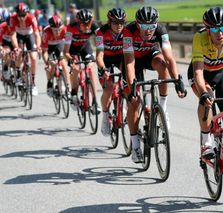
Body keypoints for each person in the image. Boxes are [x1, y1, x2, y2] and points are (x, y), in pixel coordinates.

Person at [122, 6, 186, 163]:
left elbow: (170, 58)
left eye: (151, 26)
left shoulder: (160, 30)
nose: (148, 30)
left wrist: (177, 80)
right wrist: (132, 89)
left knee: (162, 64)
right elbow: (129, 62)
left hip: (150, 55)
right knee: (135, 102)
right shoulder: (128, 31)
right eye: (144, 26)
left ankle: (162, 107)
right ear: (137, 25)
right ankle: (135, 145)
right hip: (133, 61)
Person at [188, 7, 223, 170]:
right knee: (207, 100)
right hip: (201, 75)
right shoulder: (200, 38)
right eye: (214, 29)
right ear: (207, 29)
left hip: (221, 73)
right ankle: (206, 142)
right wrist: (203, 92)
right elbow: (198, 70)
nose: (219, 33)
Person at [96, 8, 127, 136]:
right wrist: (103, 69)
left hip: (120, 58)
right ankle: (105, 116)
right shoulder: (101, 32)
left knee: (130, 80)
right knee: (108, 88)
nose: (119, 25)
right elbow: (99, 55)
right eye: (115, 22)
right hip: (106, 60)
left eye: (122, 22)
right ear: (109, 22)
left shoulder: (127, 32)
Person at [64, 8, 100, 111]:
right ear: (78, 22)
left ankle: (94, 101)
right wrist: (70, 59)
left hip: (85, 47)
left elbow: (102, 40)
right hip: (72, 49)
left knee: (90, 69)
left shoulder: (94, 26)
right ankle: (74, 93)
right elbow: (66, 51)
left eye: (88, 23)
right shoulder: (70, 28)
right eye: (83, 24)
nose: (87, 26)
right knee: (76, 69)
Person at [10, 2, 41, 96]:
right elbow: (13, 35)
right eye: (19, 15)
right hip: (18, 36)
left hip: (29, 35)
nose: (21, 18)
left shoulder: (32, 18)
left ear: (27, 13)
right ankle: (19, 75)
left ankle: (33, 82)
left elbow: (37, 34)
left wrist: (38, 46)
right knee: (19, 52)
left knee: (34, 58)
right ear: (16, 14)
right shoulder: (13, 19)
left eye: (23, 15)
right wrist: (16, 48)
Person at [41, 15, 69, 97]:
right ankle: (49, 82)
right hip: (49, 46)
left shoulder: (65, 30)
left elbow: (69, 46)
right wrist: (47, 62)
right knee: (50, 65)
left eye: (59, 29)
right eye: (55, 30)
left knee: (63, 64)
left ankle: (67, 87)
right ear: (51, 28)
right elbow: (44, 52)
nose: (57, 32)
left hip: (59, 44)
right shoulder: (46, 32)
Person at [0, 11, 13, 81]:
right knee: (6, 52)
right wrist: (2, 49)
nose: (10, 28)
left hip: (14, 42)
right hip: (5, 42)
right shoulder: (2, 27)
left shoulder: (17, 26)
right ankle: (5, 66)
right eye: (9, 26)